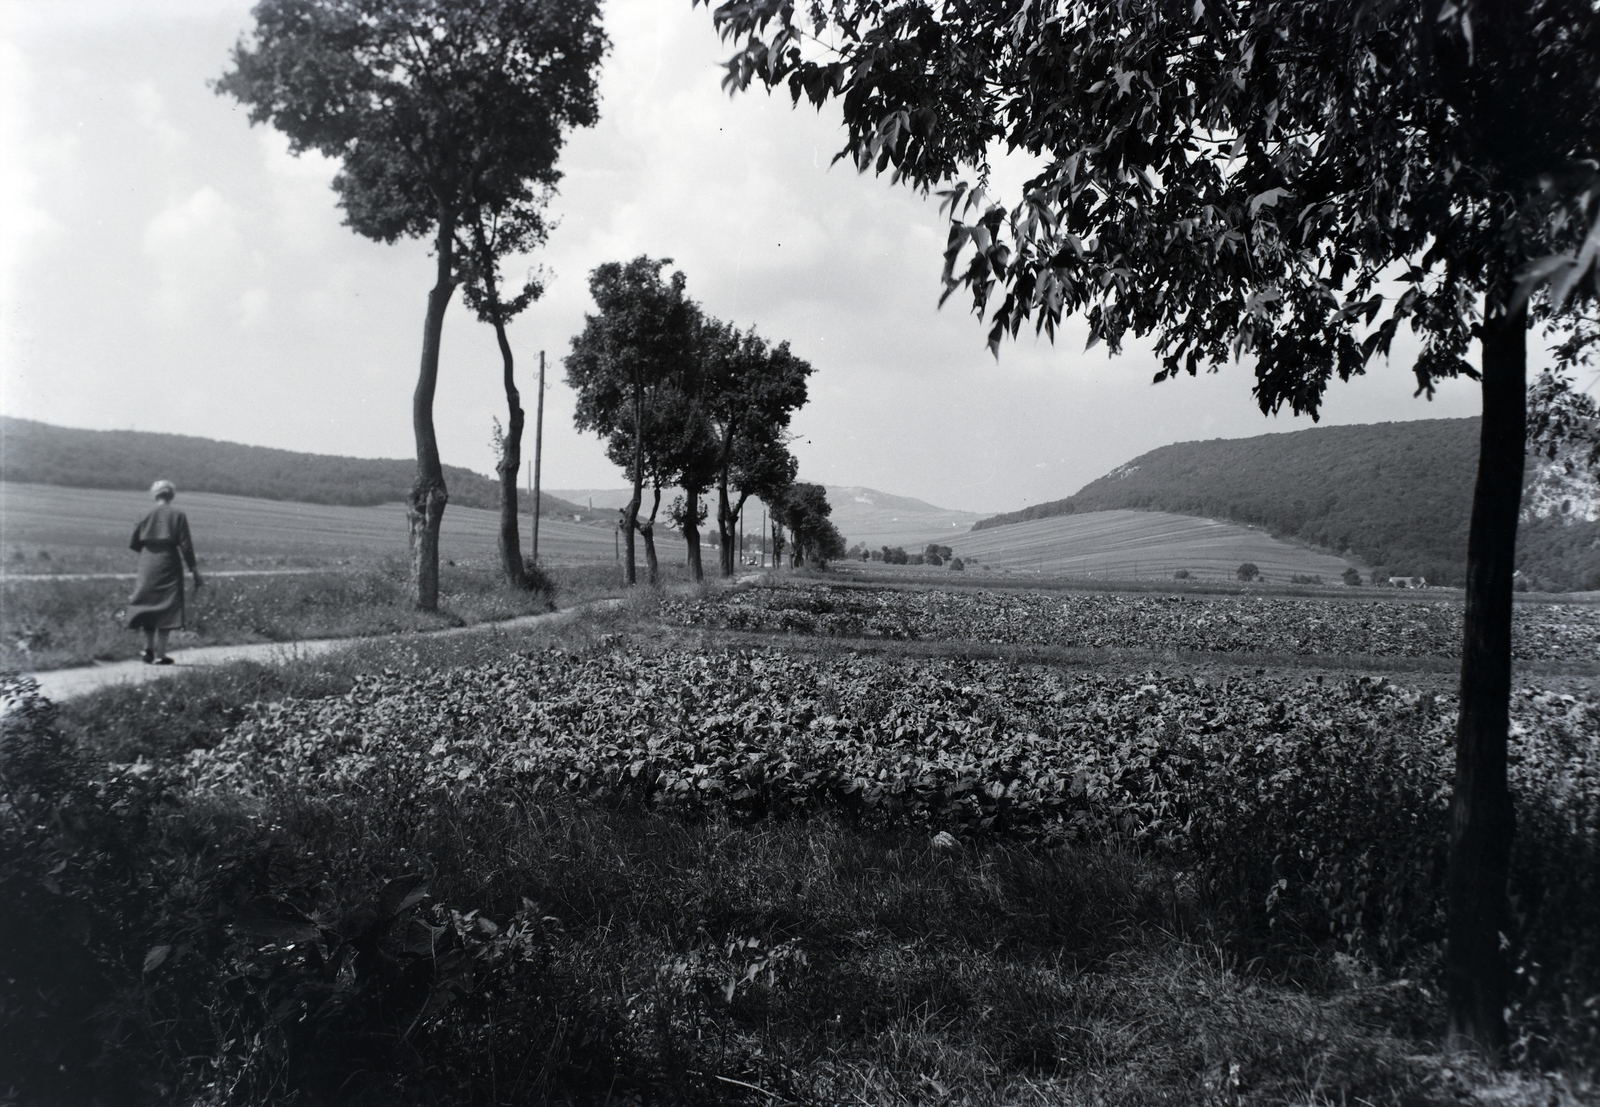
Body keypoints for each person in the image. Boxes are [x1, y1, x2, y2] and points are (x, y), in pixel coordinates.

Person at [126, 480, 203, 664]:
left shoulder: (144, 513)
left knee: (146, 603)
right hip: (169, 561)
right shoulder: (178, 514)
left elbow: (133, 542)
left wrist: (149, 551)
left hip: (147, 561)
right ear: (171, 495)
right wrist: (194, 569)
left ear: (155, 494)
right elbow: (186, 545)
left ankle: (147, 649)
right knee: (167, 606)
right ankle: (160, 653)